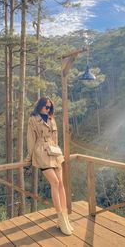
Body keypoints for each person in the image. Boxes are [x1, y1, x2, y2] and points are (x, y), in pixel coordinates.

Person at [24, 96, 73, 236]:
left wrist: (57, 150)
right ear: (39, 106)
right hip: (41, 152)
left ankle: (64, 218)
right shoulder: (33, 119)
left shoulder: (52, 119)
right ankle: (60, 218)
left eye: (50, 107)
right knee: (55, 182)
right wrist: (29, 158)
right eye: (46, 106)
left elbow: (55, 139)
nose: (48, 109)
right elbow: (30, 139)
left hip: (54, 151)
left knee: (61, 184)